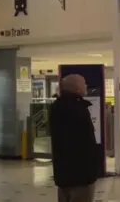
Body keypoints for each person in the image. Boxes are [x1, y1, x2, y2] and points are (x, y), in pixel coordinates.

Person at [49, 74, 98, 202]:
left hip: (63, 173)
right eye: (84, 83)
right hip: (80, 174)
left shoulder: (56, 107)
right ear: (77, 88)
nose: (86, 86)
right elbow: (84, 141)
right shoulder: (78, 108)